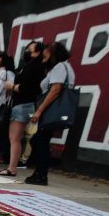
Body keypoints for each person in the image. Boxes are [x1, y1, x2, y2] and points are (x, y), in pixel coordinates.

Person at [26, 41, 76, 186]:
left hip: (50, 109)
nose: (43, 55)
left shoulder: (59, 67)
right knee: (41, 141)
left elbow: (55, 90)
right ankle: (39, 173)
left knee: (39, 141)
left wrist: (39, 110)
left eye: (46, 53)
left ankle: (41, 175)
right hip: (53, 109)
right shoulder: (66, 67)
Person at [0, 41, 47, 176]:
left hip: (22, 105)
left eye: (30, 50)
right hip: (26, 105)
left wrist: (12, 86)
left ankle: (12, 168)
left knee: (15, 138)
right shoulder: (36, 67)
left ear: (38, 52)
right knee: (17, 138)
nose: (28, 53)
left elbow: (27, 88)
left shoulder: (33, 67)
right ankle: (12, 166)